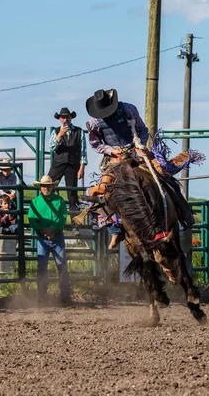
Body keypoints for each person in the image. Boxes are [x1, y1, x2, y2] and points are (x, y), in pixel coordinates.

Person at [85, 88, 149, 249]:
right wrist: (112, 150)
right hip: (114, 158)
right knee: (100, 191)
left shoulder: (128, 109)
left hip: (135, 152)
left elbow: (143, 130)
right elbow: (95, 144)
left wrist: (138, 145)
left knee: (161, 175)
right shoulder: (94, 122)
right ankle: (115, 228)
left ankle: (179, 212)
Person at [28, 175, 71, 305]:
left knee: (61, 266)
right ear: (41, 187)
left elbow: (62, 218)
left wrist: (49, 230)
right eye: (44, 186)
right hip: (47, 237)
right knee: (43, 266)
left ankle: (65, 295)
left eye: (48, 186)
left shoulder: (59, 201)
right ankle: (42, 295)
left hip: (54, 236)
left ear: (52, 187)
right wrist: (45, 231)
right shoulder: (36, 202)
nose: (46, 188)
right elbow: (32, 219)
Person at [48, 107, 87, 209]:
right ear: (60, 119)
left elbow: (83, 150)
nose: (65, 120)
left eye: (67, 117)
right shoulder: (56, 131)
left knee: (72, 195)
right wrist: (60, 135)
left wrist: (82, 168)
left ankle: (75, 223)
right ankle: (46, 216)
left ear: (71, 118)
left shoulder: (79, 131)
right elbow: (52, 148)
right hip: (58, 164)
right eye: (63, 117)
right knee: (48, 186)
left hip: (73, 165)